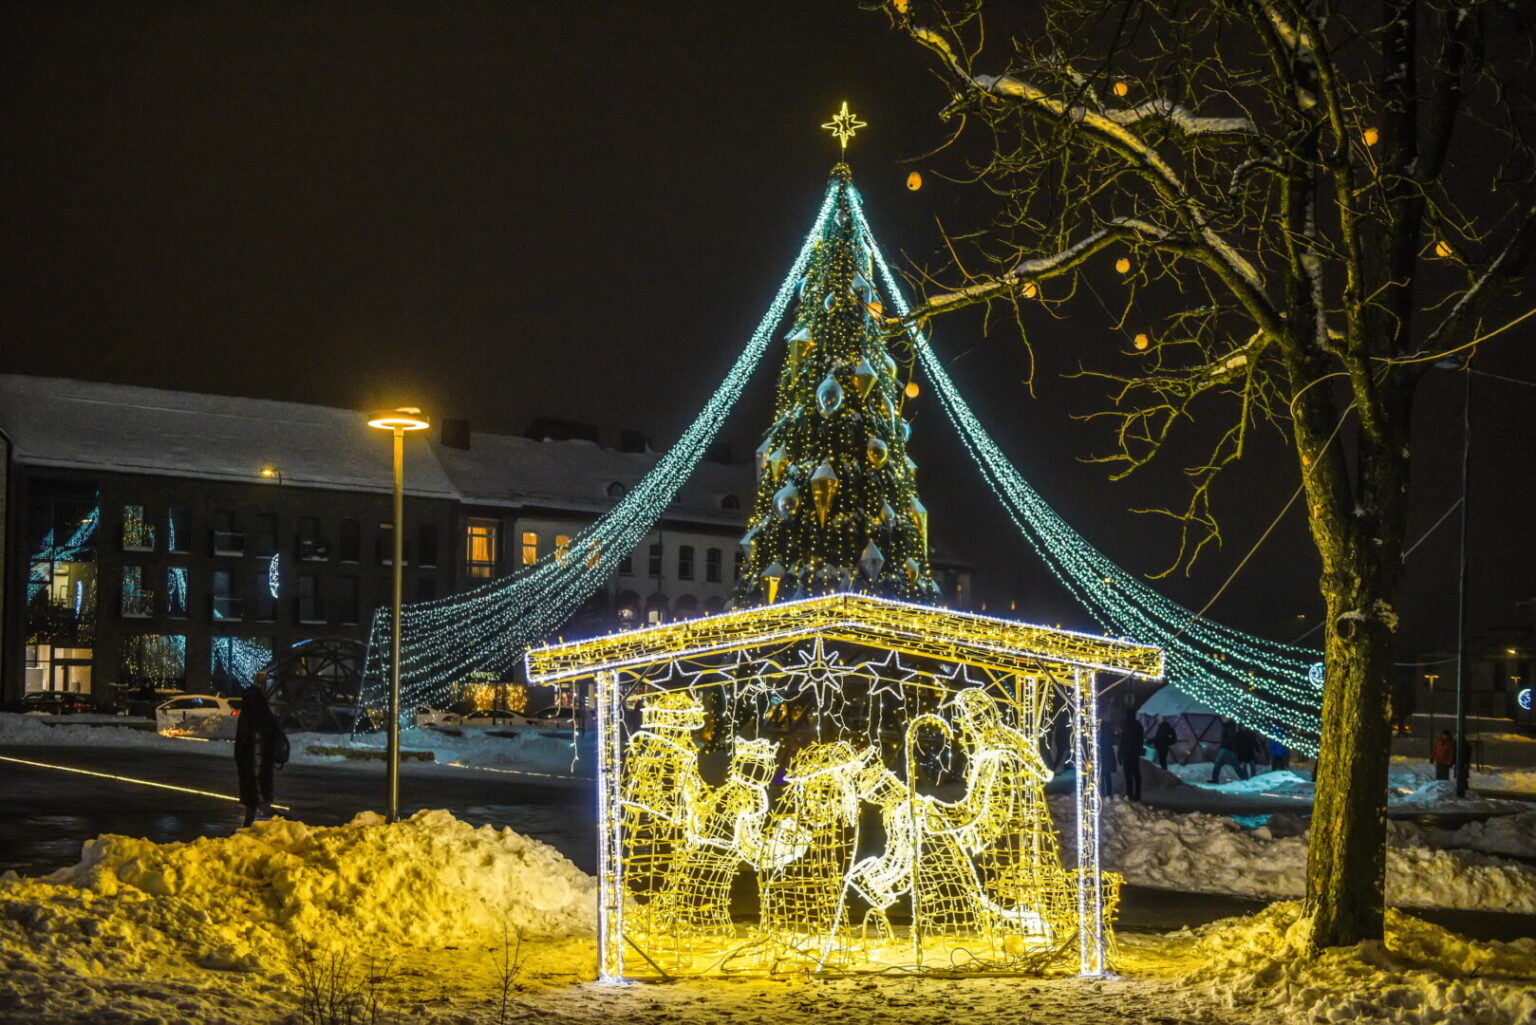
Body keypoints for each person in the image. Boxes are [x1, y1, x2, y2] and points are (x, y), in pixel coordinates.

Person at [234, 684, 283, 827]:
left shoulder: (247, 716)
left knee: (258, 801)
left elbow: (242, 741)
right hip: (264, 765)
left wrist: (239, 758)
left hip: (251, 765)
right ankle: (246, 826)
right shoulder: (267, 715)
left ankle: (287, 823)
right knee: (255, 801)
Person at [1119, 710, 1145, 802]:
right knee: (1136, 775)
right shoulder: (1138, 725)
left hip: (1127, 754)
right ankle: (1137, 794)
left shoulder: (1126, 726)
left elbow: (1123, 741)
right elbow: (1141, 738)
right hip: (1134, 753)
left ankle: (1129, 793)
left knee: (1128, 775)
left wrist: (1120, 754)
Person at [1209, 717, 1243, 783]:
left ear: (1228, 718)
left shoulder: (1229, 726)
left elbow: (1230, 738)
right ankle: (1244, 778)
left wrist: (1225, 744)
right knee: (1235, 765)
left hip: (1227, 748)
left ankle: (1215, 779)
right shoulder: (1229, 726)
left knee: (1218, 763)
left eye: (1224, 717)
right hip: (1229, 748)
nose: (1222, 718)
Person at [1098, 718, 1119, 797]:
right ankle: (1108, 793)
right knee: (1107, 775)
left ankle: (1103, 792)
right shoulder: (1110, 732)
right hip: (1108, 754)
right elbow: (1115, 741)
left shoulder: (1100, 733)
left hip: (1102, 754)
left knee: (1102, 774)